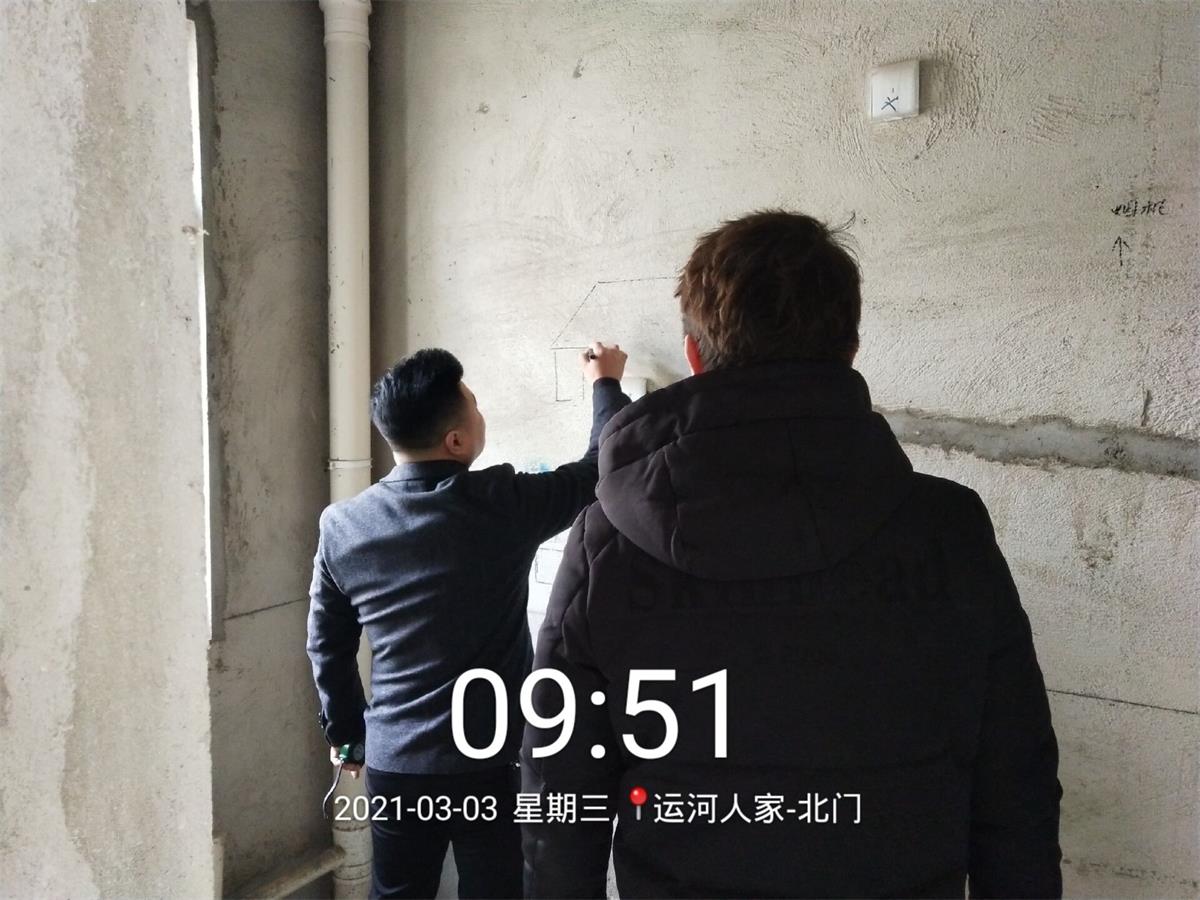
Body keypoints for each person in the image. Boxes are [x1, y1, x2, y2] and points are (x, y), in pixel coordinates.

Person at [520, 211, 1062, 898]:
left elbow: (560, 786)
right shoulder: (949, 529)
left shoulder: (607, 540)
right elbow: (1015, 777)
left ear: (694, 355)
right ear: (850, 349)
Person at [306, 343, 630, 899]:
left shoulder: (342, 526)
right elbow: (597, 467)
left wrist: (348, 735)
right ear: (455, 441)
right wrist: (605, 383)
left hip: (396, 762)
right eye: (474, 405)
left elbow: (327, 646)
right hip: (491, 762)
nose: (480, 413)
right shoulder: (500, 503)